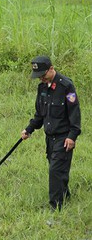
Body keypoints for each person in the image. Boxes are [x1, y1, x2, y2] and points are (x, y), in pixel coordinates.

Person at [21, 56, 81, 210]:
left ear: (52, 68)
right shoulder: (41, 88)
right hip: (49, 138)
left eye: (43, 74)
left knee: (55, 170)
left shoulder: (66, 86)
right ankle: (65, 196)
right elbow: (40, 114)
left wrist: (72, 136)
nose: (41, 78)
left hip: (64, 137)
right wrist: (29, 129)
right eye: (38, 76)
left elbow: (75, 114)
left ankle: (55, 207)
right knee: (58, 169)